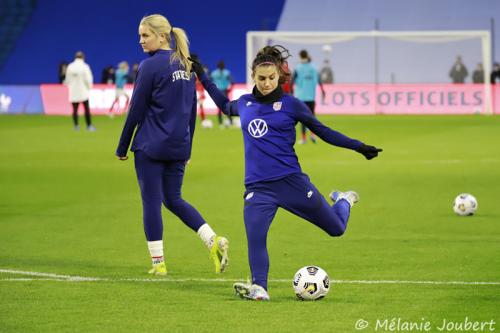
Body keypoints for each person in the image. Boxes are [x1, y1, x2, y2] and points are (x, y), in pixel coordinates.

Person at [191, 45, 382, 301]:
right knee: (255, 237)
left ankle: (344, 200)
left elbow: (323, 132)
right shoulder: (245, 103)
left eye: (272, 78)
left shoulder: (293, 105)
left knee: (336, 228)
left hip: (291, 182)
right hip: (258, 188)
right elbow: (225, 106)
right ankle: (260, 288)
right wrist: (201, 74)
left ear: (279, 76)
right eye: (262, 78)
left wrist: (358, 146)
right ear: (253, 77)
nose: (267, 83)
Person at [115, 14, 229, 276]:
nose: (140, 40)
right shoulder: (186, 66)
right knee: (174, 199)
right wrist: (187, 148)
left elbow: (136, 110)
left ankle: (159, 264)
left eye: (145, 35)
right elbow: (191, 112)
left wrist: (123, 147)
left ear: (162, 36)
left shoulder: (149, 66)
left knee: (152, 203)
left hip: (150, 146)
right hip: (178, 146)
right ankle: (213, 241)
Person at [292, 49, 326, 144]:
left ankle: (303, 139)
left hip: (300, 97)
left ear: (300, 56)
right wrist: (323, 90)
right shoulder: (313, 67)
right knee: (312, 117)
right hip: (311, 96)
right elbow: (318, 80)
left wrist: (291, 93)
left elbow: (292, 80)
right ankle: (313, 135)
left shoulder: (298, 67)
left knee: (302, 118)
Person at [64, 51, 95, 131]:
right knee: (86, 109)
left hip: (73, 91)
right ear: (83, 57)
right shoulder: (85, 66)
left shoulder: (70, 66)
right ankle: (89, 126)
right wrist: (89, 87)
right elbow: (88, 79)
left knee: (75, 110)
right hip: (83, 91)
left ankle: (76, 126)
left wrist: (69, 86)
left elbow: (67, 80)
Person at [210, 60, 233, 127]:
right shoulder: (226, 72)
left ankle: (220, 122)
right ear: (223, 66)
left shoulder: (214, 73)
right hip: (224, 91)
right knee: (227, 106)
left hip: (217, 92)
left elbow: (210, 81)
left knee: (219, 107)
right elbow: (232, 81)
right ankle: (230, 121)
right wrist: (229, 86)